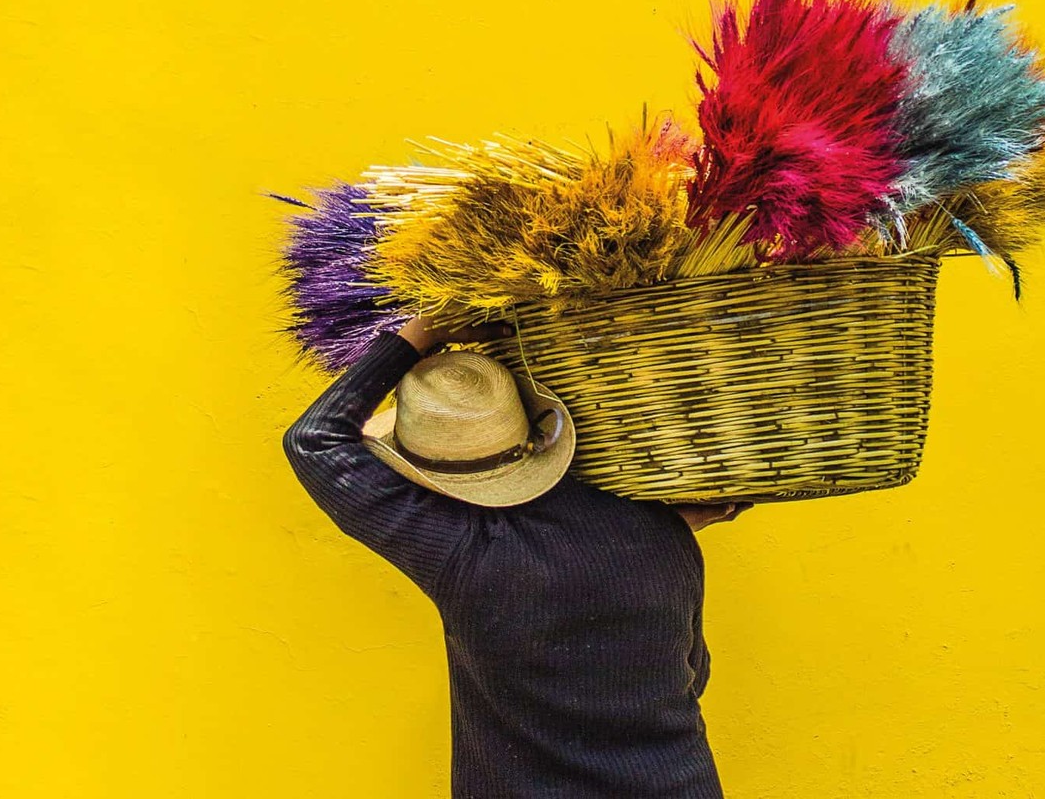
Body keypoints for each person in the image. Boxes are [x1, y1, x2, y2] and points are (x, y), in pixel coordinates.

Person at [282, 313, 748, 799]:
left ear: (435, 479)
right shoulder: (665, 531)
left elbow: (313, 441)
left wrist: (423, 333)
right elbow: (695, 674)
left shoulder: (462, 555)